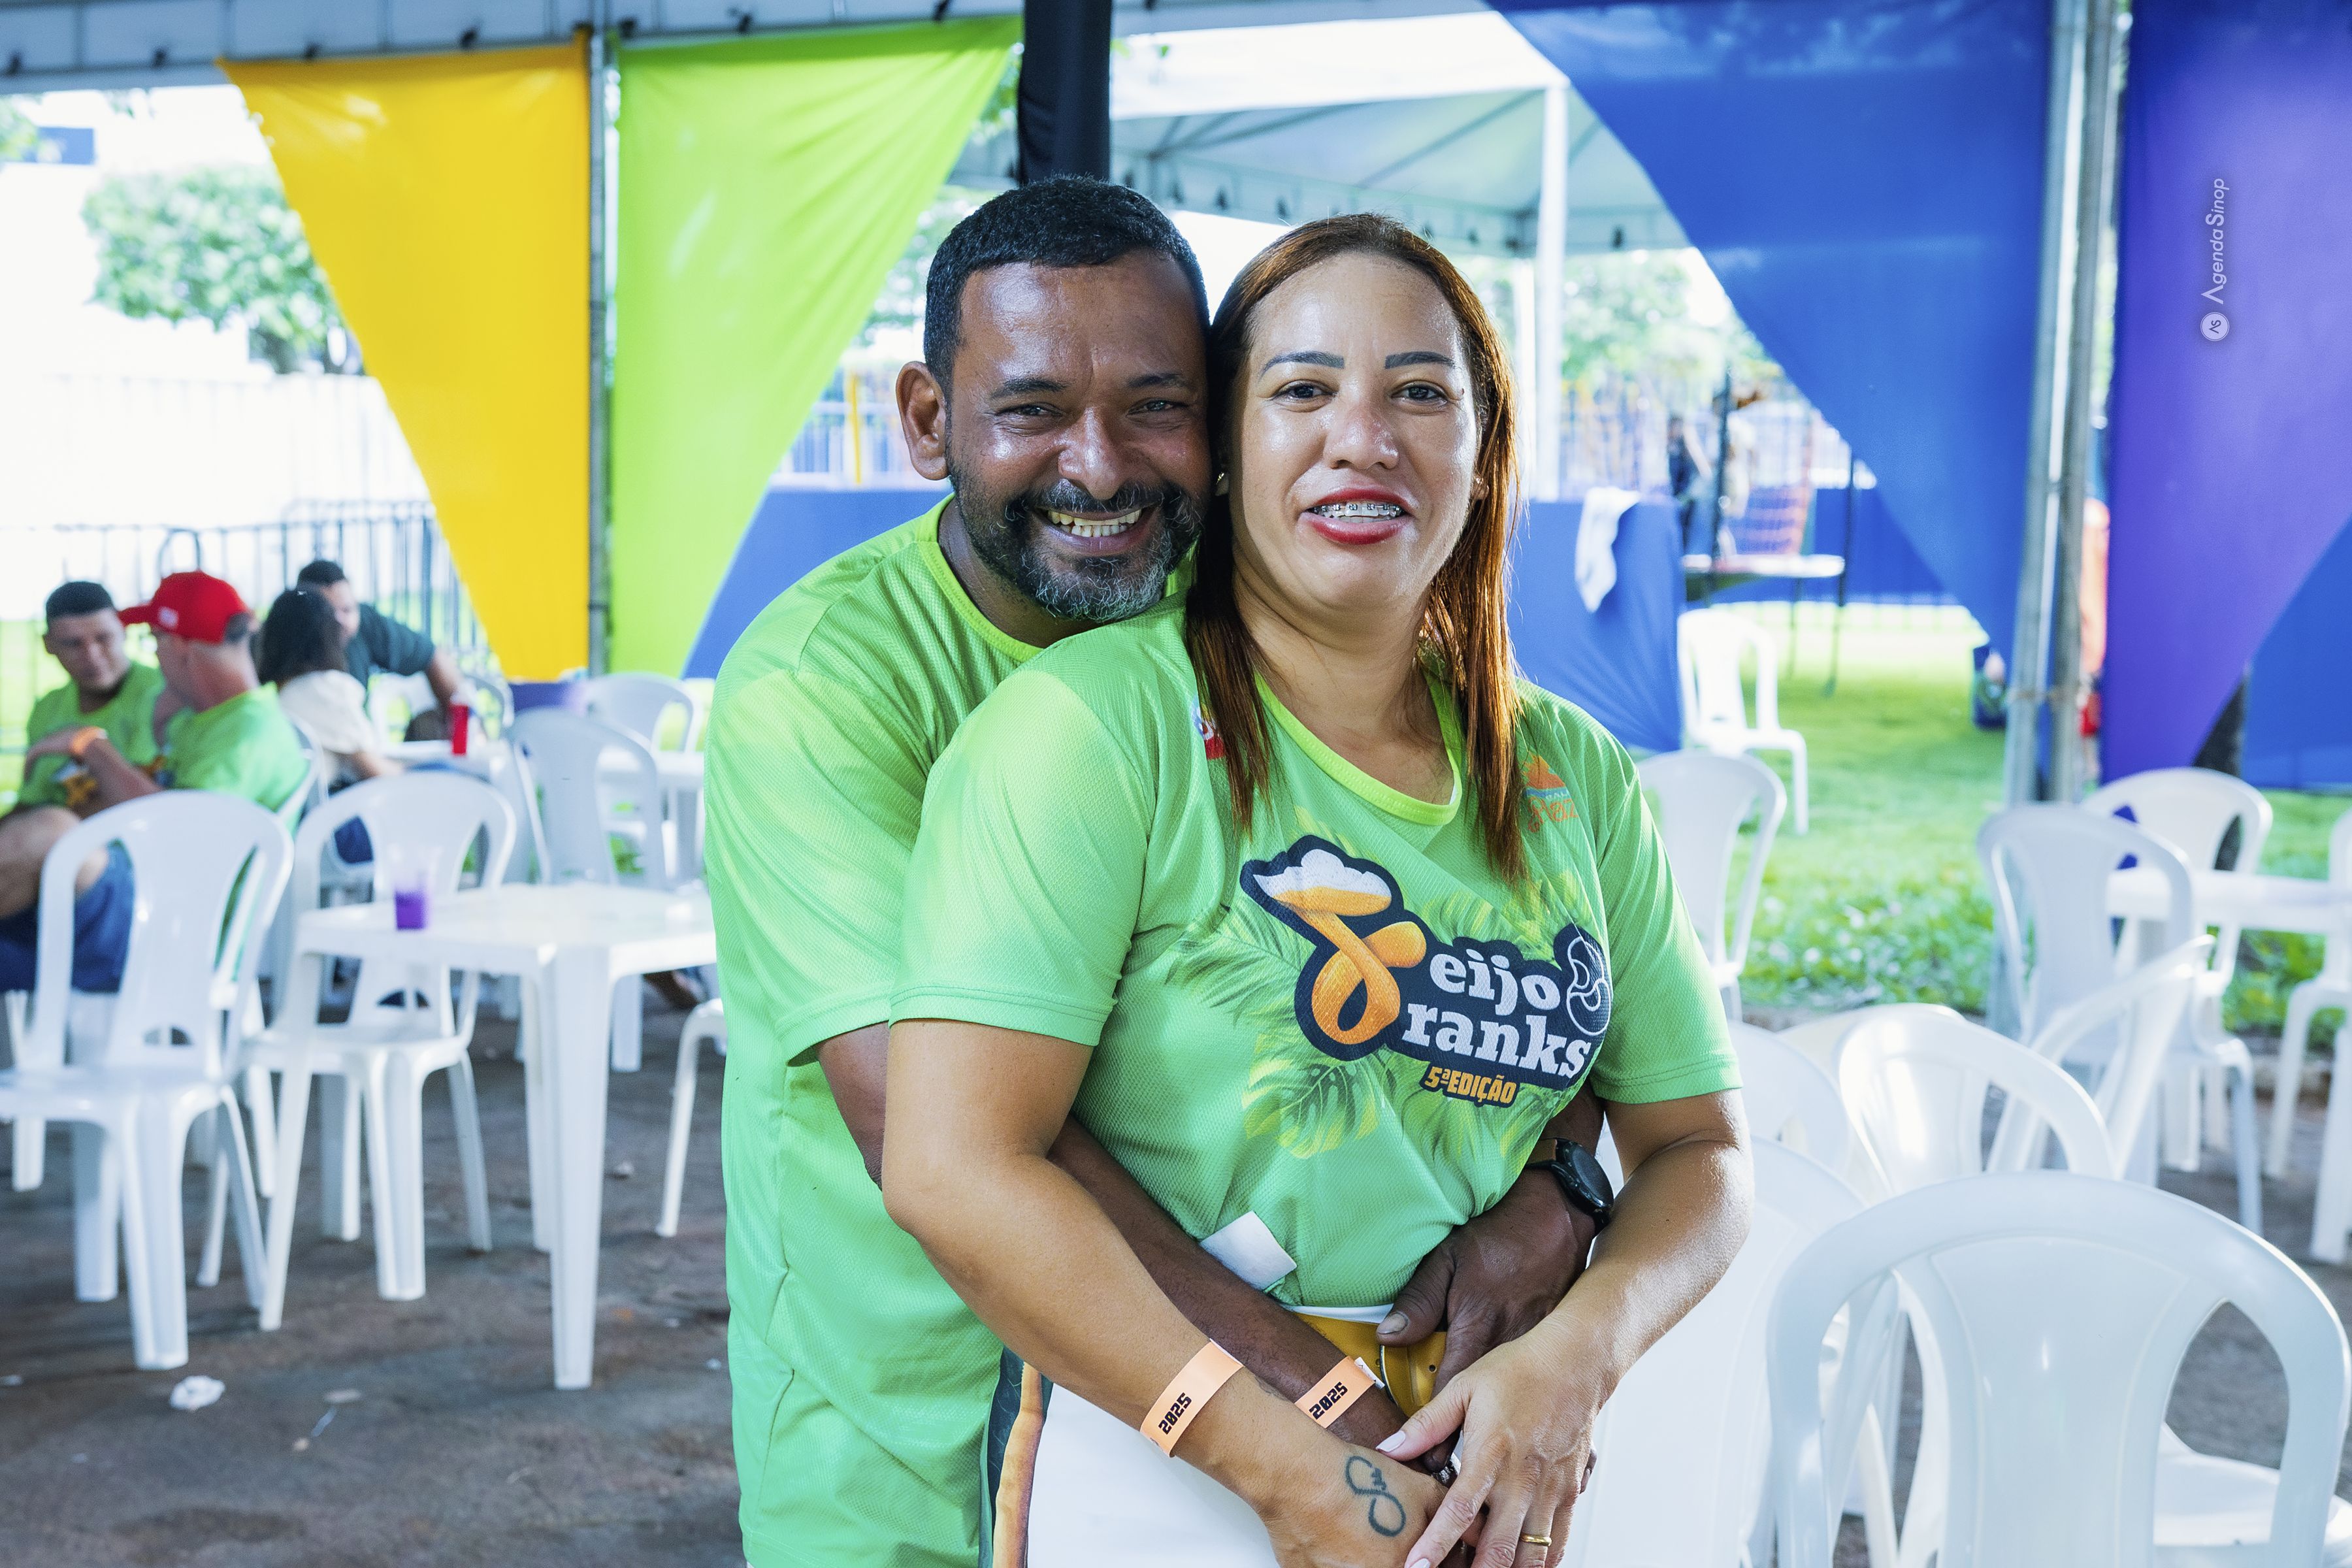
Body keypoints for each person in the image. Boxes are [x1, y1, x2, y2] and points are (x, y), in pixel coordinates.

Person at [705, 180, 1604, 1568]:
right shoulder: (824, 688)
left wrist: (1560, 1186)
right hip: (911, 1436)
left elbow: (1505, 959)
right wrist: (1322, 1402)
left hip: (1226, 1475)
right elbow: (951, 1131)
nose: (1102, 465)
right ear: (929, 420)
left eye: (1158, 406)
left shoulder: (1249, 635)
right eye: (1032, 410)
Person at [882, 216, 1752, 1566]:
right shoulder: (1096, 728)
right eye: (1302, 390)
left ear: (1485, 449)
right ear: (1227, 450)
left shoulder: (1569, 770)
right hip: (1175, 1459)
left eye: (1421, 392)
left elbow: (1703, 1154)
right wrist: (1284, 1471)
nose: (1365, 438)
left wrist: (1577, 1354)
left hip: (1505, 1456)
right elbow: (955, 1168)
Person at [0, 571, 311, 994]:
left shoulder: (248, 732)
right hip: (143, 914)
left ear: (179, 647)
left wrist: (90, 745)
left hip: (172, 934)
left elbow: (172, 833)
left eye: (153, 640)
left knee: (54, 832)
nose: (154, 657)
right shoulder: (207, 721)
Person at [10, 581, 168, 817]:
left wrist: (53, 828)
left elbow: (145, 800)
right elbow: (31, 802)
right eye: (73, 644)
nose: (92, 655)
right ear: (48, 644)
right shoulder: (47, 708)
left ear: (124, 631)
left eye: (103, 638)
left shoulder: (164, 695)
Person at [258, 587, 400, 787]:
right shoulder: (323, 688)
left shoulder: (269, 694)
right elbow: (376, 772)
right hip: (332, 804)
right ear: (327, 635)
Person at [293, 559, 463, 720]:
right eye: (327, 613)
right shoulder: (287, 642)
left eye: (347, 610)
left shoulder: (367, 624)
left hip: (353, 736)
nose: (340, 622)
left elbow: (431, 654)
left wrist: (461, 722)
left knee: (428, 725)